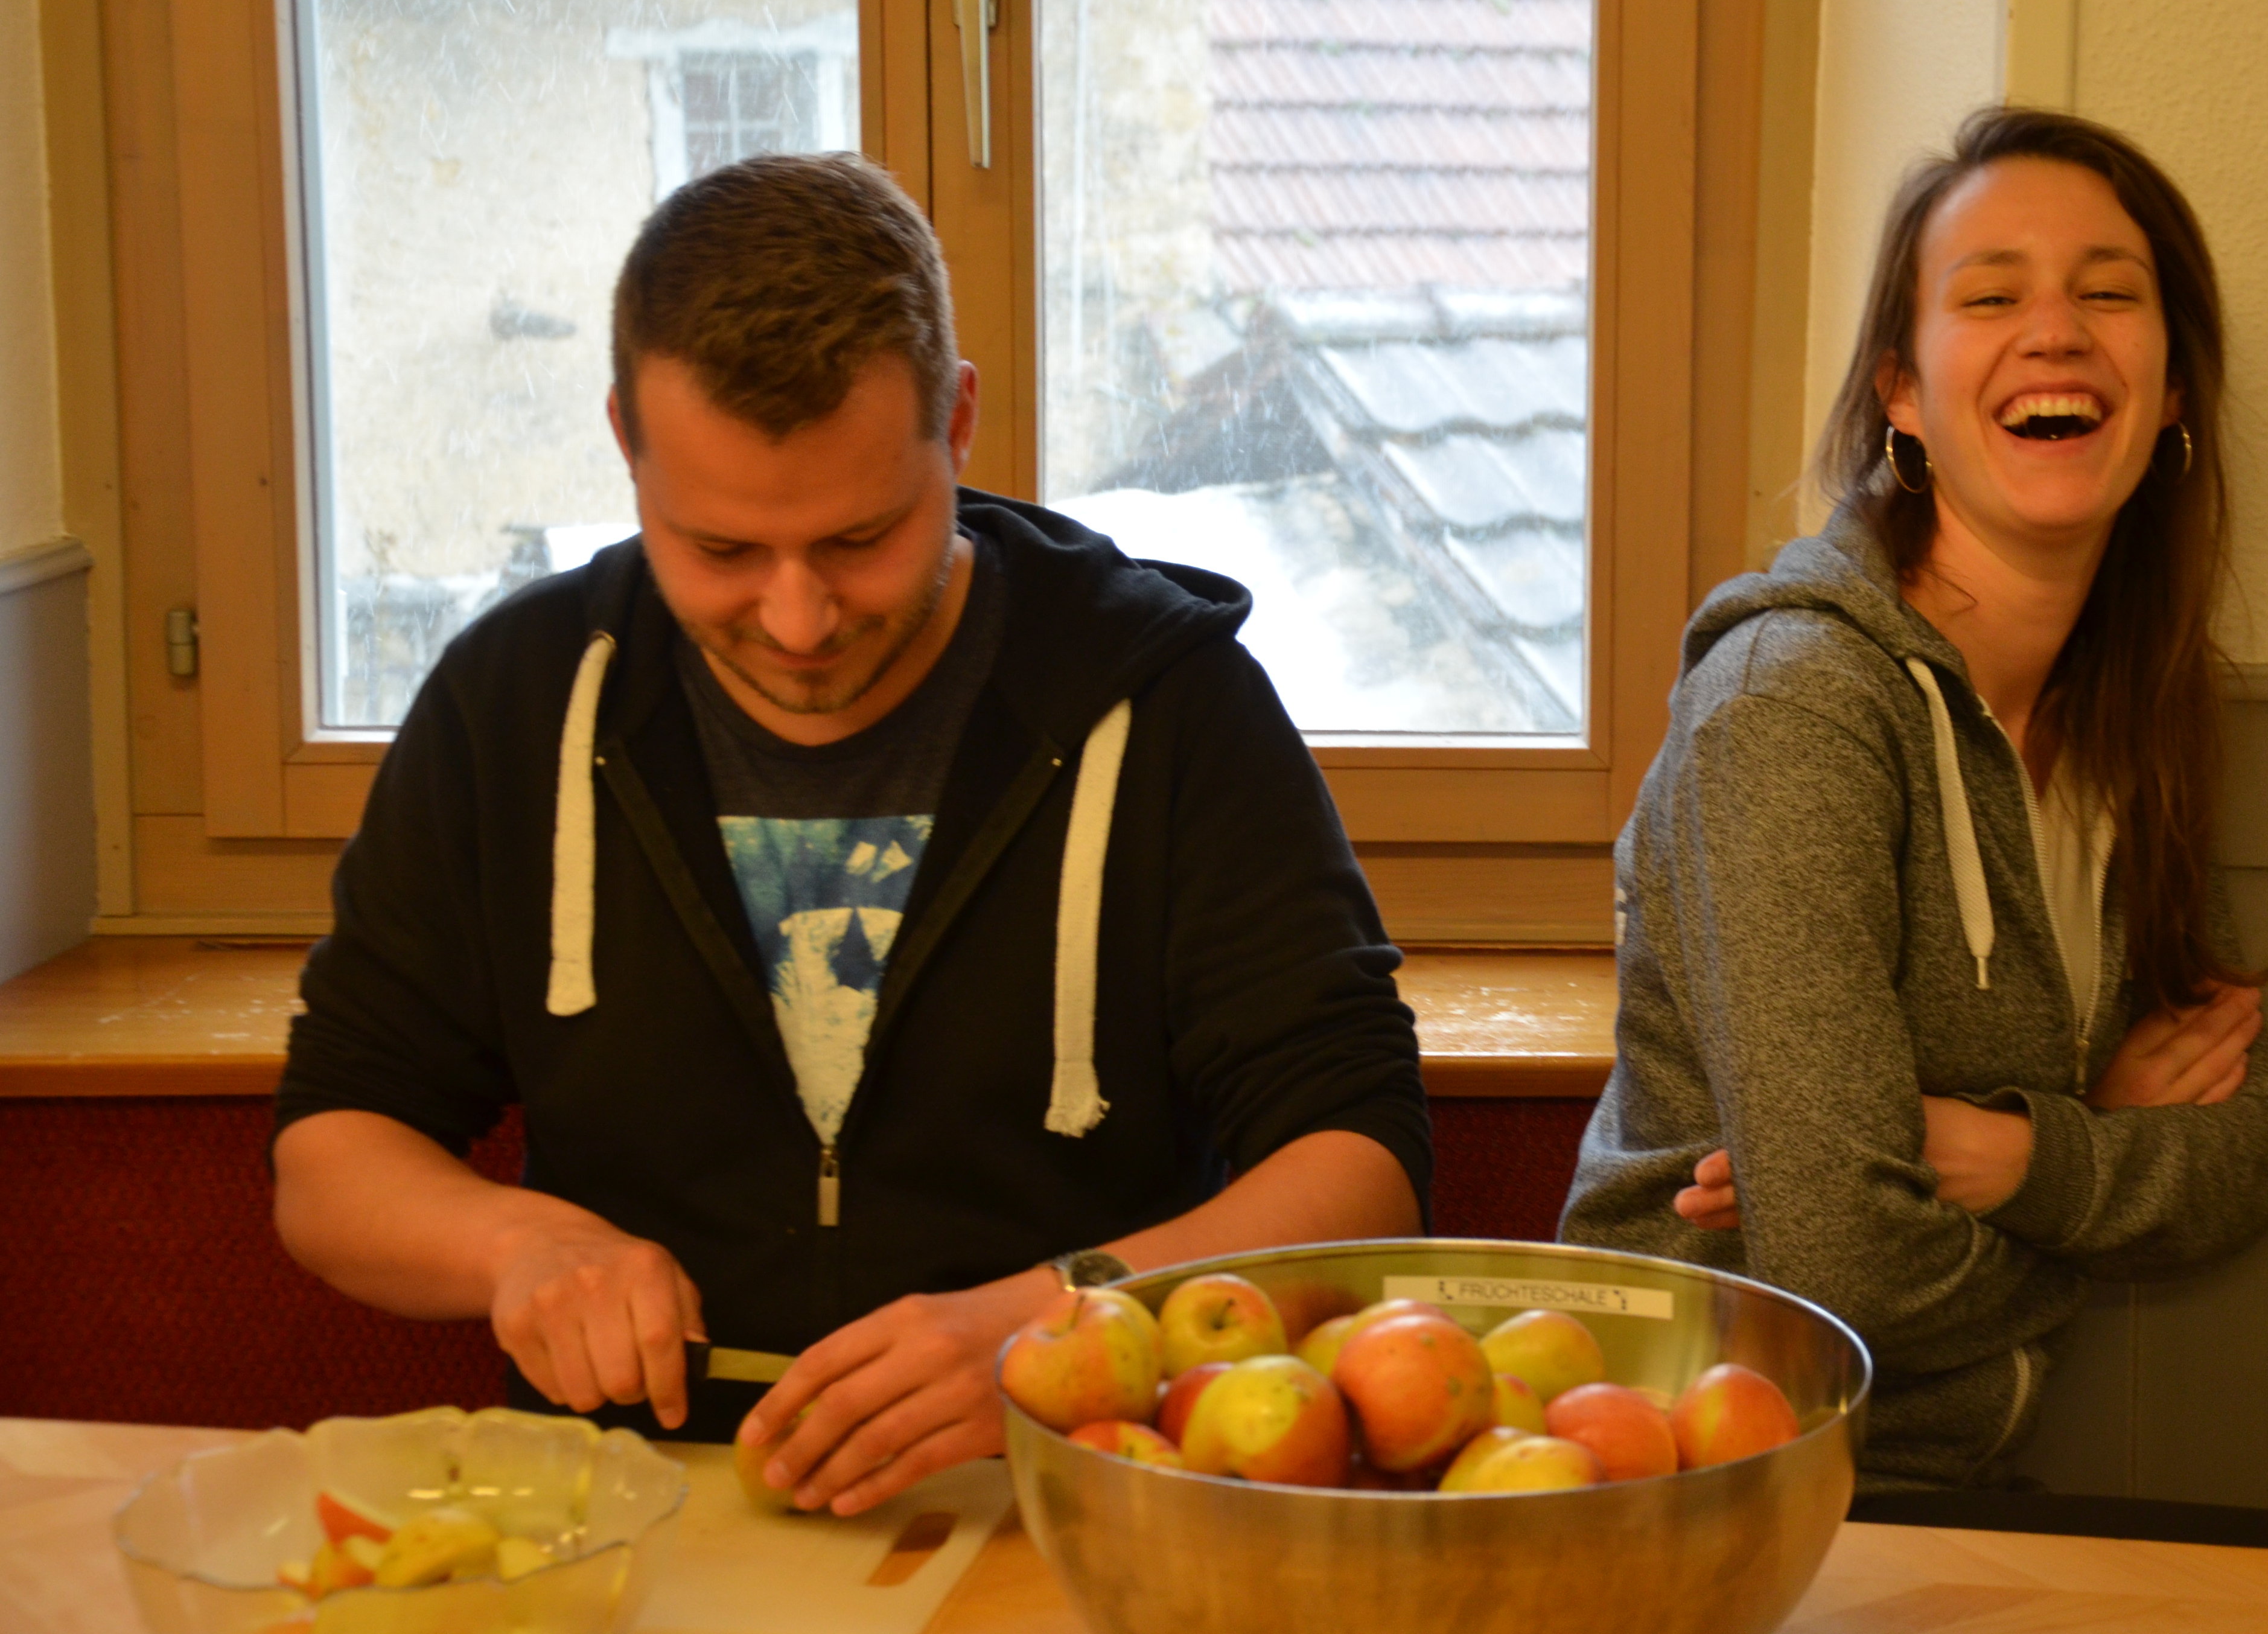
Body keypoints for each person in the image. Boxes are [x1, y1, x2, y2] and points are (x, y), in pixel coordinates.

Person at [272, 153, 1427, 1518]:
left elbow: (1359, 1166)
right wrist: (517, 1245)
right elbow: (332, 1156)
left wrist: (1059, 1323)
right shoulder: (520, 701)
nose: (798, 620)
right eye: (720, 551)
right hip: (637, 1518)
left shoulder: (1168, 703)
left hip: (1066, 1500)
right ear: (626, 440)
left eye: (861, 538)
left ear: (959, 421)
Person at [1557, 106, 2268, 1491]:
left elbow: (2259, 1144)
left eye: (2107, 294)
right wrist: (2087, 1158)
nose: (2055, 333)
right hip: (1694, 1484)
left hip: (1947, 1486)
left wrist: (2010, 1155)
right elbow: (1846, 1269)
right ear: (1900, 391)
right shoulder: (1793, 705)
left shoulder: (2127, 710)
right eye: (1990, 296)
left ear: (2174, 390)